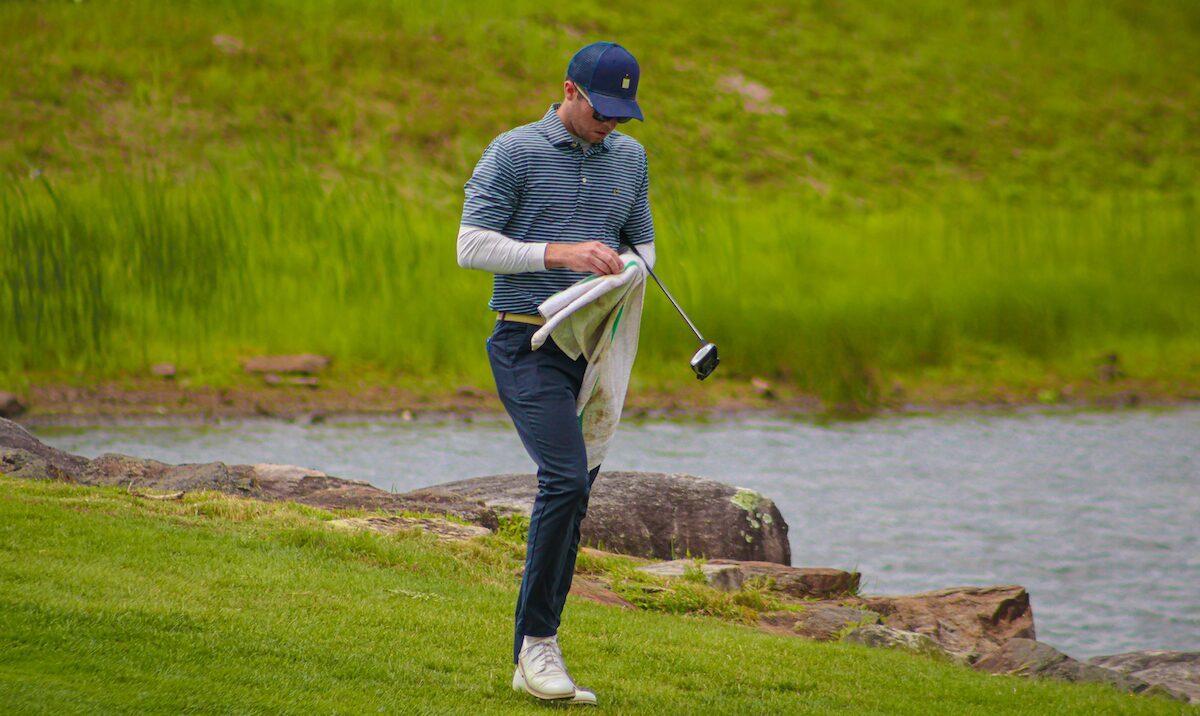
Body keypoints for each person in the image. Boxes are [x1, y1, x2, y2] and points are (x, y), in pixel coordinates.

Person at [457, 41, 656, 705]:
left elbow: (642, 245)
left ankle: (533, 653)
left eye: (622, 117)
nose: (611, 127)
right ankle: (538, 647)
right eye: (602, 112)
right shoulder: (513, 151)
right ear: (569, 91)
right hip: (525, 344)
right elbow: (470, 245)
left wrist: (629, 268)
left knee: (573, 499)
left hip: (596, 345)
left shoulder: (629, 157)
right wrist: (561, 254)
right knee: (566, 479)